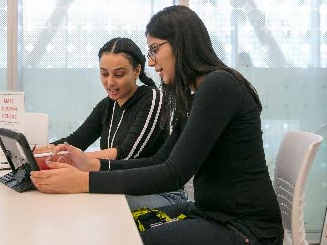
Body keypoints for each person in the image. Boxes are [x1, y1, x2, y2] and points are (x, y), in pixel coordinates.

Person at [30, 5, 283, 245]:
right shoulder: (199, 94)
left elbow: (173, 174)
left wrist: (83, 181)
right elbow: (160, 160)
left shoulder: (219, 86)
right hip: (211, 213)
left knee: (121, 238)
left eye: (154, 49)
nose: (150, 62)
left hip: (244, 228)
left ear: (180, 43)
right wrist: (92, 166)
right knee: (115, 224)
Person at [35, 37, 170, 161]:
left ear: (137, 71)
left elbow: (126, 154)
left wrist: (75, 157)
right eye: (104, 73)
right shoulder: (107, 105)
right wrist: (35, 152)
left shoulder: (152, 98)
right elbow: (76, 140)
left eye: (119, 74)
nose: (110, 82)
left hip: (152, 186)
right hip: (115, 183)